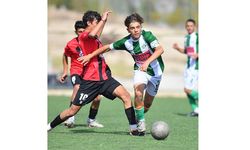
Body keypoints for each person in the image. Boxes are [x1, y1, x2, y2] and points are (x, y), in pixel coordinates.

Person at [48, 10, 143, 136]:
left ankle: (133, 129)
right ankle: (48, 126)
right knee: (72, 111)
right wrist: (103, 20)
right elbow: (92, 34)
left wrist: (104, 22)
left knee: (125, 96)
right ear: (89, 22)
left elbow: (96, 33)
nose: (99, 24)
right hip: (90, 81)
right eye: (96, 22)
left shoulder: (94, 38)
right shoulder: (84, 36)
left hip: (104, 79)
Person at [78, 13, 165, 134]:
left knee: (147, 105)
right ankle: (140, 124)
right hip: (140, 70)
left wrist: (147, 62)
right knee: (138, 92)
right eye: (132, 28)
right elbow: (107, 47)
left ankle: (138, 116)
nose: (136, 30)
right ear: (128, 29)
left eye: (138, 27)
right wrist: (90, 55)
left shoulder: (147, 35)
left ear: (141, 26)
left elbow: (160, 49)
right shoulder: (126, 42)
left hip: (156, 72)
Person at [59, 20, 103, 128]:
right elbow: (65, 55)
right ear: (75, 32)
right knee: (77, 88)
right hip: (76, 70)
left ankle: (91, 120)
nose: (81, 33)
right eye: (79, 31)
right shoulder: (71, 44)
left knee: (97, 98)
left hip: (90, 71)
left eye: (83, 31)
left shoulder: (93, 41)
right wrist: (65, 71)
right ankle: (70, 118)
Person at [172, 19, 199, 117]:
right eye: (187, 26)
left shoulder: (197, 37)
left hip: (196, 67)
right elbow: (188, 51)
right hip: (188, 67)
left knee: (188, 90)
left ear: (195, 26)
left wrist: (198, 54)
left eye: (191, 26)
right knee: (186, 90)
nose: (189, 27)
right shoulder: (186, 37)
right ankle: (196, 110)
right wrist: (178, 48)